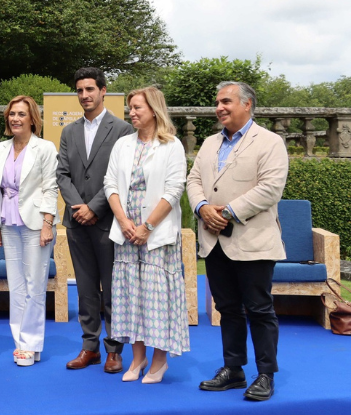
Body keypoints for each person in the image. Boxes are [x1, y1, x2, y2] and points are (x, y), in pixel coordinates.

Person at [188, 81, 287, 401]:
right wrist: (202, 208)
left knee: (259, 309)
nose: (219, 107)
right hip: (214, 241)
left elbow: (271, 188)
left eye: (226, 101)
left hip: (253, 241)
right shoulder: (208, 143)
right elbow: (193, 180)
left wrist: (227, 212)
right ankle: (233, 369)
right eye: (217, 102)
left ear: (247, 104)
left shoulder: (270, 142)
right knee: (227, 309)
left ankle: (265, 374)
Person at [102, 87, 189, 384]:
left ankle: (159, 361)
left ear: (154, 109)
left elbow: (174, 189)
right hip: (126, 231)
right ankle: (137, 358)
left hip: (157, 232)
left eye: (137, 107)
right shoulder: (122, 144)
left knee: (157, 297)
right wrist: (124, 221)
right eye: (130, 108)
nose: (132, 113)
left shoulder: (172, 145)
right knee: (130, 295)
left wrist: (147, 226)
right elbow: (110, 184)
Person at [57, 67, 134, 372]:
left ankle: (114, 349)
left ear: (103, 91)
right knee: (87, 289)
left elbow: (120, 177)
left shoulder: (123, 129)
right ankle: (90, 347)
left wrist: (95, 207)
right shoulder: (68, 131)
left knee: (113, 288)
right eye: (79, 90)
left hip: (107, 222)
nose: (85, 95)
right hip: (77, 222)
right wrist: (79, 206)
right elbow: (62, 174)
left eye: (90, 89)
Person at [0, 95, 58, 367]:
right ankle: (23, 343)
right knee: (16, 285)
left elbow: (51, 187)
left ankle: (31, 343)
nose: (15, 119)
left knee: (35, 284)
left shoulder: (45, 148)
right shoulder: (1, 147)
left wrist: (47, 223)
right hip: (7, 222)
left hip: (35, 223)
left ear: (33, 119)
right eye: (12, 114)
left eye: (21, 114)